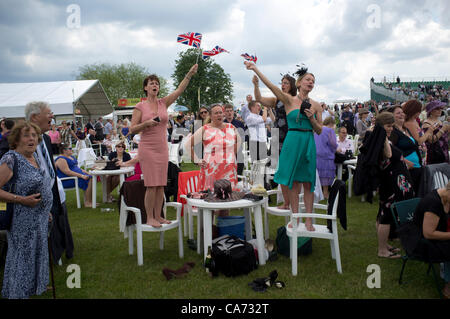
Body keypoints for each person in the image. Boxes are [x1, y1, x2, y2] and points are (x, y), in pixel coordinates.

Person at [244, 61, 323, 232]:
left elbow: (319, 130)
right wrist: (256, 69)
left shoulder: (316, 105)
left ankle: (309, 221)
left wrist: (311, 119)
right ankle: (295, 218)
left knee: (308, 183)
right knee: (293, 182)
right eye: (308, 79)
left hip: (308, 141)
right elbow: (272, 87)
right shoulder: (288, 99)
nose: (311, 83)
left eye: (313, 81)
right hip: (292, 140)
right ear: (300, 82)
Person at [131, 63, 198, 228]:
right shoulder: (140, 106)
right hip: (147, 147)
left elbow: (179, 90)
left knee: (161, 184)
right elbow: (132, 129)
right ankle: (150, 217)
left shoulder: (163, 103)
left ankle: (159, 215)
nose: (155, 85)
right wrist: (146, 123)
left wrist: (189, 73)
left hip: (162, 148)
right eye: (151, 83)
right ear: (145, 87)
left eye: (157, 83)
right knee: (151, 184)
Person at [0, 122, 52, 298]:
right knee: (22, 261)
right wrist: (22, 200)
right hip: (22, 222)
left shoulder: (35, 157)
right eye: (26, 135)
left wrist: (46, 211)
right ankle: (16, 293)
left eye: (34, 135)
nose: (32, 139)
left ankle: (30, 291)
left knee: (35, 258)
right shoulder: (10, 159)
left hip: (39, 221)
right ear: (16, 139)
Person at [358, 112, 415, 258]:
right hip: (390, 184)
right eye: (388, 126)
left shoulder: (381, 138)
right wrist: (382, 134)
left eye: (392, 126)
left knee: (382, 214)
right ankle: (382, 250)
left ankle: (384, 245)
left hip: (393, 182)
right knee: (386, 217)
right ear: (381, 126)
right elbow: (388, 155)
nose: (391, 129)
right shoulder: (380, 139)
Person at [25, 101, 74, 265]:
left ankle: (57, 253)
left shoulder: (45, 138)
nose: (52, 116)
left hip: (52, 189)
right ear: (34, 117)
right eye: (49, 113)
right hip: (35, 194)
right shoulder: (22, 141)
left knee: (56, 223)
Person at [397, 182, 450, 298]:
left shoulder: (446, 195)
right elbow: (428, 234)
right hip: (421, 241)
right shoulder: (434, 203)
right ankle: (448, 287)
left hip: (437, 233)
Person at [253, 73, 297, 209]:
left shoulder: (294, 99)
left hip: (291, 137)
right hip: (278, 137)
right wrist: (256, 85)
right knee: (280, 171)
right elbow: (259, 99)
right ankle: (286, 202)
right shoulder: (276, 100)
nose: (283, 85)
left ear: (292, 86)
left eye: (286, 83)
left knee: (291, 172)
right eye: (282, 82)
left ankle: (294, 201)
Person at [189, 104, 240, 217]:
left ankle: (223, 229)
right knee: (211, 200)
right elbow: (188, 145)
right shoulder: (205, 129)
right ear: (210, 116)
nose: (219, 115)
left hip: (229, 170)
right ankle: (209, 230)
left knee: (226, 201)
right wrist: (197, 160)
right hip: (211, 171)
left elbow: (238, 142)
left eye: (220, 112)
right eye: (216, 113)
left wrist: (230, 155)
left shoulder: (231, 127)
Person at [388, 105, 424, 195]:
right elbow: (391, 151)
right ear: (392, 116)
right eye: (398, 113)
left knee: (418, 193)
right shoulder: (393, 132)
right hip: (406, 169)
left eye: (402, 112)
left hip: (417, 166)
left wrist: (418, 147)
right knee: (408, 195)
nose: (401, 115)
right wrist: (405, 162)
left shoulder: (405, 129)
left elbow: (411, 145)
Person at [402, 99, 433, 166]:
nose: (420, 113)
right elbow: (418, 142)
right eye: (419, 111)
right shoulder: (410, 124)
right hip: (416, 155)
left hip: (421, 153)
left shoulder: (414, 121)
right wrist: (428, 132)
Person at [314, 117, 337, 199]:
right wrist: (336, 149)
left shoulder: (317, 129)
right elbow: (333, 143)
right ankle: (325, 193)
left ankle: (319, 193)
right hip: (326, 155)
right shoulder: (330, 131)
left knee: (319, 174)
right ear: (332, 124)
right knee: (326, 175)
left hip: (316, 154)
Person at [422, 100, 450, 164]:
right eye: (437, 109)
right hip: (435, 153)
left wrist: (448, 132)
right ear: (431, 111)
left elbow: (444, 139)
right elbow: (431, 140)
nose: (440, 110)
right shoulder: (427, 123)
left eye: (441, 108)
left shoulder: (439, 121)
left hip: (443, 151)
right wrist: (443, 129)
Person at [223, 103, 246, 176]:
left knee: (238, 175)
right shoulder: (222, 123)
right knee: (226, 175)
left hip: (238, 152)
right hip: (225, 153)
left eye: (231, 111)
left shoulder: (239, 123)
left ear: (233, 112)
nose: (229, 113)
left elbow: (244, 137)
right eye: (227, 111)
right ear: (224, 113)